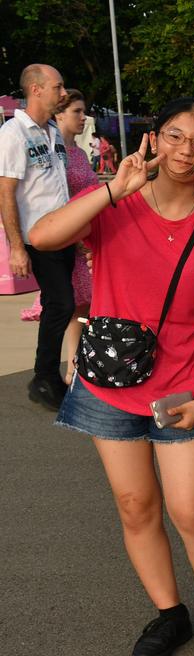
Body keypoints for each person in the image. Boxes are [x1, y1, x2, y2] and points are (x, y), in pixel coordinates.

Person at [29, 97, 194, 656]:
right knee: (134, 506)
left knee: (192, 509)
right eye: (176, 136)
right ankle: (170, 611)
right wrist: (112, 189)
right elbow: (44, 236)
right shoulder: (115, 206)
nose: (187, 150)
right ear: (154, 140)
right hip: (107, 385)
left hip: (180, 388)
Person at [0, 63, 70, 410]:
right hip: (37, 238)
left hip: (64, 234)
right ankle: (43, 377)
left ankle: (51, 376)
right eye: (57, 87)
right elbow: (6, 192)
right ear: (36, 90)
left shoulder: (52, 130)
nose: (63, 93)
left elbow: (57, 187)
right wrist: (16, 247)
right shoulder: (14, 133)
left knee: (62, 304)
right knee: (61, 303)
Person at [21, 89, 98, 386]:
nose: (83, 117)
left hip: (88, 238)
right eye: (77, 111)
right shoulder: (52, 155)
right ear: (60, 114)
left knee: (85, 305)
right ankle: (71, 369)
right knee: (73, 305)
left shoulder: (77, 153)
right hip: (67, 237)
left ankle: (77, 366)